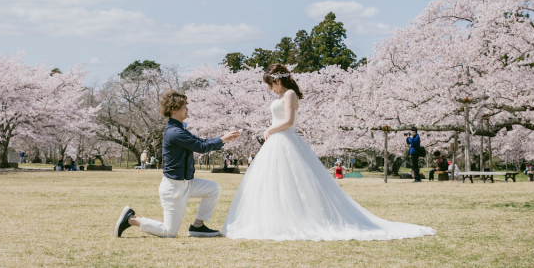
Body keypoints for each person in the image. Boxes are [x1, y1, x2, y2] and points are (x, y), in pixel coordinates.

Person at [222, 63, 435, 241]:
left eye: (270, 84)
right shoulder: (282, 94)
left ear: (277, 80)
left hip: (285, 139)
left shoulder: (289, 94)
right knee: (274, 182)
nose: (270, 89)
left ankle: (296, 219)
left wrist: (270, 129)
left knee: (294, 181)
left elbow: (288, 121)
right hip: (276, 142)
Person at [114, 90, 241, 238]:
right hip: (173, 188)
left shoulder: (180, 129)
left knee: (213, 188)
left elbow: (201, 142)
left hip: (186, 183)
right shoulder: (175, 132)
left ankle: (198, 226)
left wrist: (223, 138)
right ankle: (131, 219)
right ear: (174, 109)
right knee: (169, 232)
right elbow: (200, 147)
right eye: (184, 106)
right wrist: (223, 139)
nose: (187, 109)